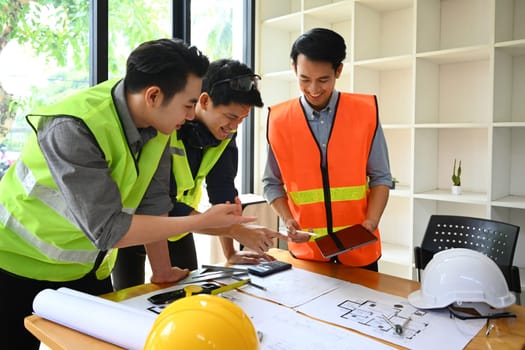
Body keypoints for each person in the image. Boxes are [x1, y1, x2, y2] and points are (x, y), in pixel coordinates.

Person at [0, 38, 268, 349]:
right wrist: (199, 222)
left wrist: (163, 270)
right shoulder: (73, 128)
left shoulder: (158, 127)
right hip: (15, 265)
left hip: (85, 267)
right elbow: (109, 229)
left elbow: (153, 204)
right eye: (189, 104)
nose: (193, 115)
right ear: (154, 95)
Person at [112, 59, 279, 290]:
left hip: (180, 226)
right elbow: (161, 202)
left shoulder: (224, 137)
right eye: (230, 117)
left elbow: (224, 196)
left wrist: (230, 253)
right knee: (127, 298)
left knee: (188, 292)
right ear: (204, 101)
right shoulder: (169, 127)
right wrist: (235, 230)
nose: (234, 126)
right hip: (136, 222)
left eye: (242, 120)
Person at [262, 28, 392, 271]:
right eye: (304, 79)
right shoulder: (277, 119)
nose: (313, 89)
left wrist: (372, 221)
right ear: (294, 69)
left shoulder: (365, 112)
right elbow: (271, 183)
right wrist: (287, 219)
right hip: (307, 253)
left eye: (323, 80)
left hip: (359, 251)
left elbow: (381, 177)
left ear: (338, 71)